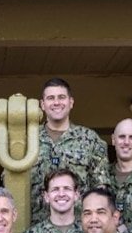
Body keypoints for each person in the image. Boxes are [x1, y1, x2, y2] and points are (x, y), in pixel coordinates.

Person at [29, 78, 111, 217]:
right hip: (36, 228)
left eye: (61, 97)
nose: (56, 102)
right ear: (42, 104)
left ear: (71, 102)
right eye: (50, 98)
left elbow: (101, 188)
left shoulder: (90, 139)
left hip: (80, 227)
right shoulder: (28, 138)